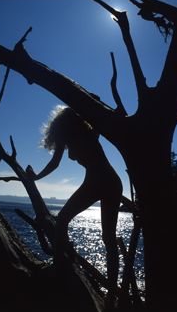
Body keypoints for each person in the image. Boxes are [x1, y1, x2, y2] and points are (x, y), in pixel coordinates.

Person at [27, 105, 122, 304]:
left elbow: (55, 163)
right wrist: (36, 177)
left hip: (102, 180)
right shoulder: (84, 132)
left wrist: (35, 177)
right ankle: (110, 294)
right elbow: (55, 163)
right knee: (107, 239)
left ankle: (63, 269)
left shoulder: (88, 129)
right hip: (106, 180)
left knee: (66, 222)